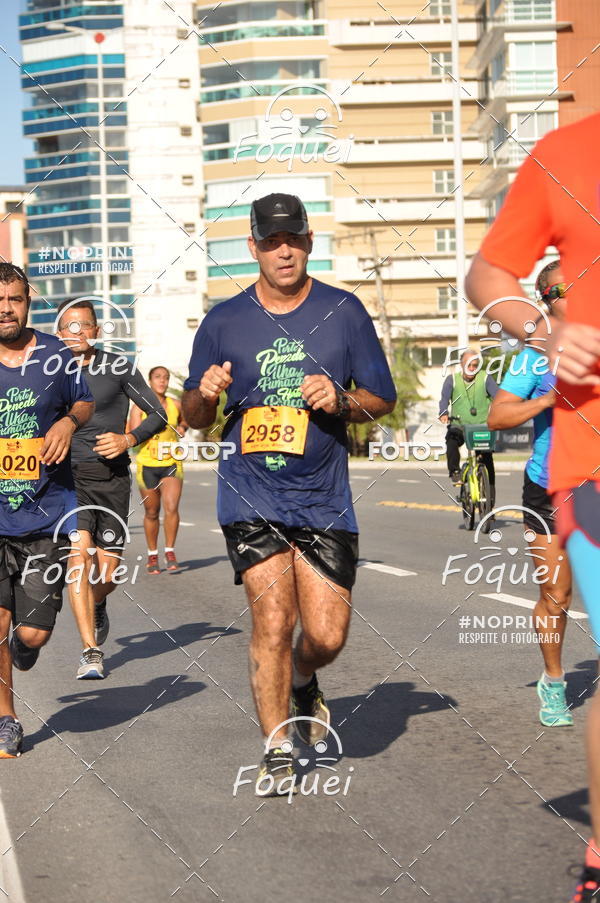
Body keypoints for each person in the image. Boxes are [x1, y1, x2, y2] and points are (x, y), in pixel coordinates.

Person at [182, 193, 396, 793]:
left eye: (293, 239)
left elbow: (381, 399)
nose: (283, 250)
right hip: (250, 493)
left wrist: (342, 400)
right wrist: (204, 391)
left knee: (325, 636)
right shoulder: (223, 321)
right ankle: (276, 747)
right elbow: (194, 416)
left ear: (307, 243)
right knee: (272, 621)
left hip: (323, 497)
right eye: (271, 241)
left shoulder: (345, 312)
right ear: (252, 247)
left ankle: (305, 678)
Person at [465, 112, 600, 901]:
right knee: (550, 592)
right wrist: (545, 335)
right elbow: (488, 274)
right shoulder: (567, 155)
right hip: (582, 464)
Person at [0, 264, 95, 756]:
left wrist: (66, 425)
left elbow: (83, 403)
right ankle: (6, 717)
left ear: (27, 302)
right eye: (0, 300)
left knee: (32, 633)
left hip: (45, 512)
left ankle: (23, 649)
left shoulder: (57, 355)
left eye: (14, 299)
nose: (5, 308)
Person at [56, 298, 165, 680]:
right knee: (78, 561)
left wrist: (128, 438)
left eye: (83, 325)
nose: (76, 333)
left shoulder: (118, 366)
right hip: (68, 480)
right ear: (58, 333)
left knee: (107, 575)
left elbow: (159, 413)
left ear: (97, 330)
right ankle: (90, 650)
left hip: (113, 479)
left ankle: (96, 603)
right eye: (68, 327)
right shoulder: (51, 371)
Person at [487, 260, 572, 726]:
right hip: (549, 486)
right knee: (556, 593)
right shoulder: (535, 357)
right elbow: (498, 417)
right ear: (547, 299)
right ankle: (554, 681)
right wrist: (546, 401)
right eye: (565, 287)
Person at [129, 366, 187, 574]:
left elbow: (185, 418)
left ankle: (170, 551)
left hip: (172, 462)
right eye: (158, 377)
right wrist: (151, 426)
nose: (162, 381)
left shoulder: (175, 404)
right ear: (150, 381)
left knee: (171, 507)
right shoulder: (139, 407)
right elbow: (133, 434)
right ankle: (152, 554)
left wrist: (182, 428)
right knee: (152, 512)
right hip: (147, 464)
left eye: (166, 378)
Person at [438, 349, 499, 491]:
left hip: (481, 427)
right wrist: (443, 412)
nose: (472, 369)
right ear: (461, 364)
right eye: (468, 365)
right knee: (451, 442)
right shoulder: (452, 379)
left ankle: (489, 494)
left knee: (486, 458)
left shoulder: (485, 378)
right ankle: (455, 472)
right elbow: (444, 399)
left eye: (475, 365)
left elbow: (498, 397)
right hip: (459, 425)